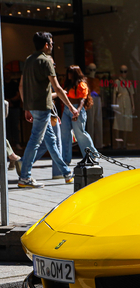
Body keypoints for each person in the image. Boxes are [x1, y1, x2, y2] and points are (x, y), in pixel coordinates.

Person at [18, 32, 78, 188]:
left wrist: (26, 108)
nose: (52, 46)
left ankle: (66, 173)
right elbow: (57, 88)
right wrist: (72, 108)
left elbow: (22, 86)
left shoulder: (29, 60)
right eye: (51, 43)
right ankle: (24, 177)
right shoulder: (46, 61)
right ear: (46, 45)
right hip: (43, 108)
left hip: (34, 107)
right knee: (35, 141)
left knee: (51, 142)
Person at [61, 65, 98, 164]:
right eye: (68, 72)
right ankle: (65, 159)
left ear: (75, 73)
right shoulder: (68, 84)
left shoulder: (81, 84)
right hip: (67, 109)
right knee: (64, 134)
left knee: (80, 133)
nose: (69, 74)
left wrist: (77, 111)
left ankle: (92, 155)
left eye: (71, 72)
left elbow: (82, 99)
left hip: (77, 109)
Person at [112, 64, 134, 148]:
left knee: (126, 123)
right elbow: (114, 94)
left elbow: (131, 94)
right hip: (120, 101)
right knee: (118, 122)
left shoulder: (129, 82)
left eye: (125, 72)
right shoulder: (117, 82)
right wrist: (114, 105)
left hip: (127, 102)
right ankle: (117, 143)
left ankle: (124, 143)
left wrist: (133, 105)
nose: (123, 73)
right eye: (122, 72)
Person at [85, 63, 103, 149]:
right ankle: (90, 144)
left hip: (97, 98)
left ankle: (99, 144)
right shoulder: (86, 79)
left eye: (94, 70)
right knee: (90, 121)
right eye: (91, 70)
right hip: (90, 98)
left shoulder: (97, 80)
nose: (92, 72)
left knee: (98, 121)